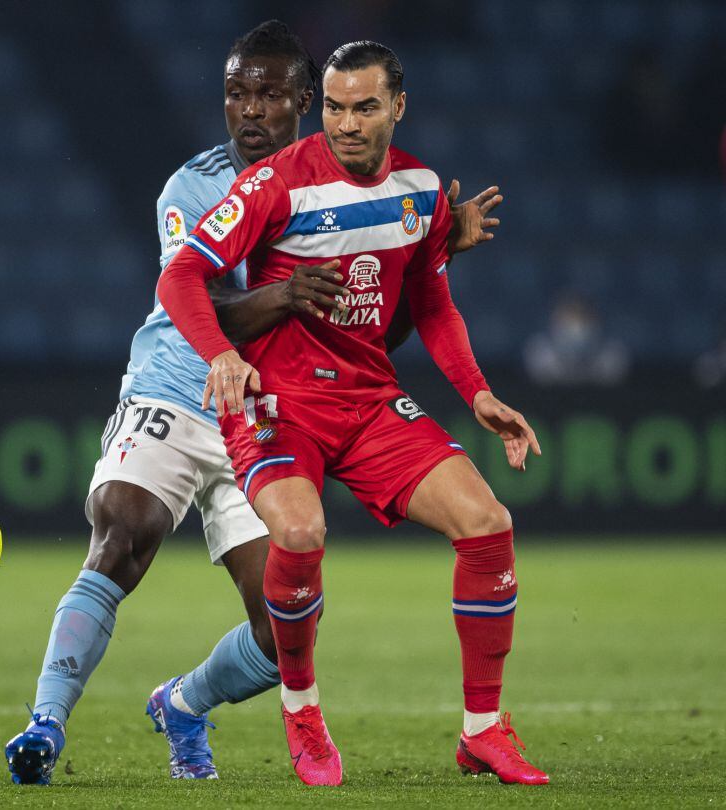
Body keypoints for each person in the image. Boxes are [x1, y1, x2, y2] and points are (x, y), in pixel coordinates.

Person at [4, 22, 502, 786]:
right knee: (125, 529)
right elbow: (195, 305)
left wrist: (426, 253)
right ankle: (43, 725)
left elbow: (379, 337)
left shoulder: (352, 191)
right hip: (183, 382)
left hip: (274, 410)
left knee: (284, 624)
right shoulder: (192, 187)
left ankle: (182, 703)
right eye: (237, 92)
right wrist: (281, 296)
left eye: (270, 94)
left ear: (308, 102)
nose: (251, 109)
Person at [156, 40, 547, 787]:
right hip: (277, 403)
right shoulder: (276, 183)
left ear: (398, 107)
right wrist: (222, 356)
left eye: (364, 107)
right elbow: (181, 276)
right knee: (300, 533)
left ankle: (484, 731)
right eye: (333, 107)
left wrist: (479, 393)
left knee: (488, 524)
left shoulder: (422, 190)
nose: (345, 123)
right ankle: (302, 712)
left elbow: (431, 302)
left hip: (366, 399)